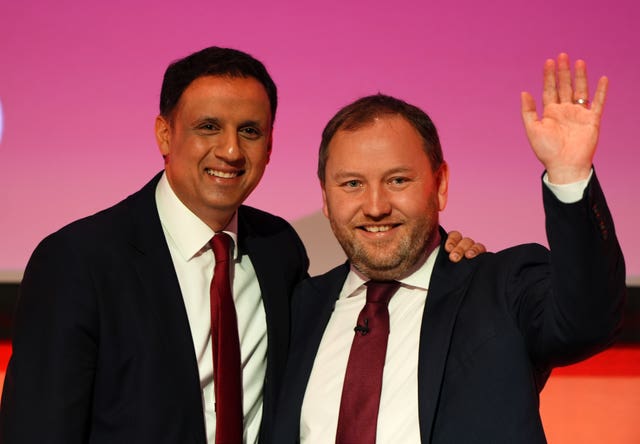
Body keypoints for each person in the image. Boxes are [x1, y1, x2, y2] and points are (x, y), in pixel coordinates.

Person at [0, 46, 482, 444]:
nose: (230, 150)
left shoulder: (278, 250)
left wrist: (448, 256)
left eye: (249, 131)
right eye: (208, 127)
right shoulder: (77, 261)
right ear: (165, 134)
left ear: (270, 146)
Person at [272, 53, 626, 443]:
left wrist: (569, 175)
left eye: (398, 180)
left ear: (440, 184)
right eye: (352, 184)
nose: (375, 207)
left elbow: (587, 321)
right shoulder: (296, 309)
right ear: (325, 197)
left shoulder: (501, 289)